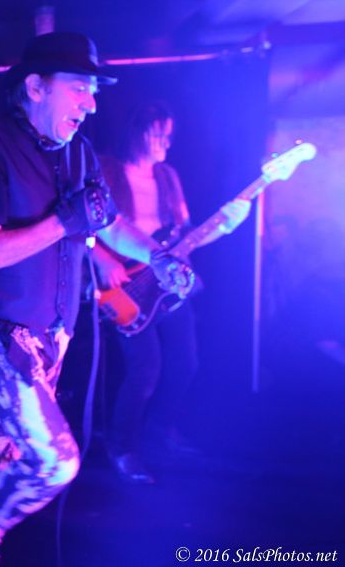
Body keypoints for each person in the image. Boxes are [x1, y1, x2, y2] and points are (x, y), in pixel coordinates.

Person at [0, 32, 192, 566]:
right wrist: (63, 221)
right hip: (0, 326)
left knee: (6, 448)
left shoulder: (79, 153)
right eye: (80, 87)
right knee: (55, 462)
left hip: (54, 328)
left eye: (94, 91)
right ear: (36, 88)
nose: (91, 103)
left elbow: (109, 224)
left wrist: (157, 257)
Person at [93, 102, 251, 484]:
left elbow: (186, 235)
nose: (166, 140)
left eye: (169, 133)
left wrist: (225, 225)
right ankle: (122, 447)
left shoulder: (167, 176)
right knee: (145, 369)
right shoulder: (105, 169)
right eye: (158, 132)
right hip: (125, 284)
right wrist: (101, 259)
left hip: (168, 284)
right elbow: (86, 224)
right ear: (136, 132)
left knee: (186, 363)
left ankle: (159, 433)